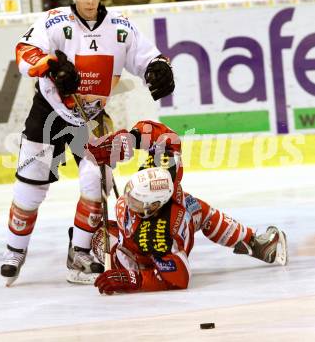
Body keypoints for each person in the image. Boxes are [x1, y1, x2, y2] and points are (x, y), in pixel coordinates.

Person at [0, 0, 175, 287]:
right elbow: (25, 52)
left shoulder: (121, 28)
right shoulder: (54, 21)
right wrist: (51, 65)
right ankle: (15, 250)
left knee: (98, 181)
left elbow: (148, 57)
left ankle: (80, 252)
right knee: (31, 184)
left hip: (91, 119)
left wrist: (160, 68)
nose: (90, 1)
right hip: (49, 113)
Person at [85, 120, 288, 294]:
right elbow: (167, 137)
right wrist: (128, 140)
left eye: (136, 201)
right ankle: (253, 242)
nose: (129, 201)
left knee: (102, 239)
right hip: (188, 210)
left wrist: (134, 279)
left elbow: (179, 278)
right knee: (202, 211)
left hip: (151, 248)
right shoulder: (164, 170)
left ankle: (137, 265)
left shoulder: (158, 234)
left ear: (153, 208)